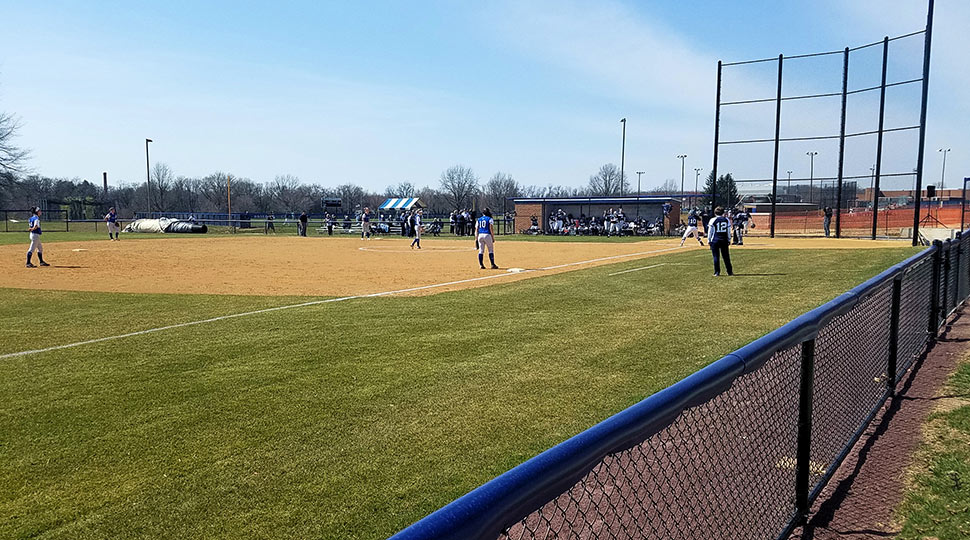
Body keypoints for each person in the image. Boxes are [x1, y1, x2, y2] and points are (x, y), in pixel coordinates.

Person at [707, 206, 733, 277]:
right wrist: (729, 239)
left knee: (716, 256)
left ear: (715, 213)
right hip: (724, 240)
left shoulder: (712, 220)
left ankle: (717, 272)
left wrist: (709, 240)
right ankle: (729, 272)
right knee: (726, 256)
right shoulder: (726, 219)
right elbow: (728, 231)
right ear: (723, 213)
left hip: (715, 240)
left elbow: (710, 231)